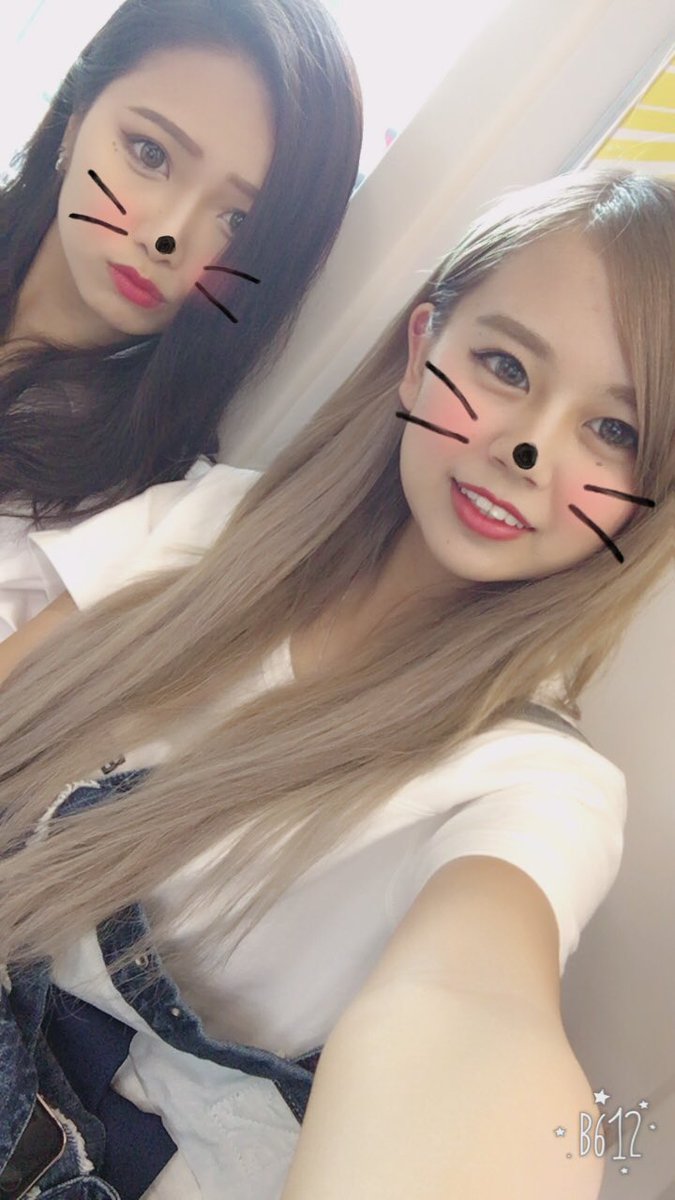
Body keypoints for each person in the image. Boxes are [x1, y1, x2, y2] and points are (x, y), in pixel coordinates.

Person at [0, 165, 673, 1199]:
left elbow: (474, 1005)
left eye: (613, 431)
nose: (530, 447)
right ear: (421, 349)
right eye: (505, 365)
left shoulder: (535, 784)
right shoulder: (206, 523)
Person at [0, 0, 363, 641]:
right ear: (75, 118)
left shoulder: (148, 510)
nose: (167, 237)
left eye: (237, 221)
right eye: (151, 153)